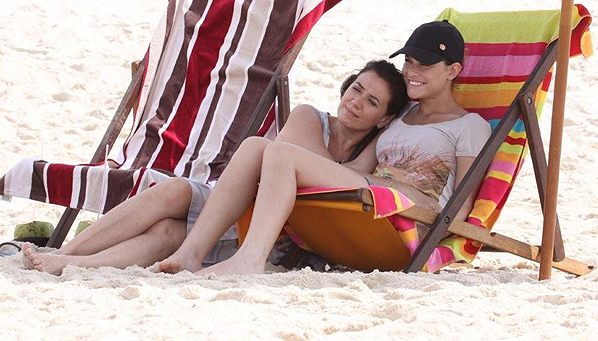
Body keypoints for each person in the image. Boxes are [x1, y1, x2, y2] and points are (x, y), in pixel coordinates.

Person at [154, 20, 491, 276]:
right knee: (257, 146)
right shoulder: (400, 116)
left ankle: (251, 259)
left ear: (453, 71)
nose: (412, 73)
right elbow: (358, 169)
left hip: (407, 216)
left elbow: (461, 209)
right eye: (410, 62)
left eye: (425, 66)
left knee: (281, 153)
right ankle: (191, 253)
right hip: (371, 199)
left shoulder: (469, 125)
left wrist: (422, 213)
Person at [22, 59, 409, 275]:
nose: (356, 101)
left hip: (259, 227)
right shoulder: (310, 118)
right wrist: (358, 167)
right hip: (230, 201)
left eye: (372, 102)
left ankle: (76, 265)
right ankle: (66, 252)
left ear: (384, 120)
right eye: (356, 88)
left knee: (167, 234)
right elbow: (311, 166)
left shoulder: (370, 153)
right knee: (175, 189)